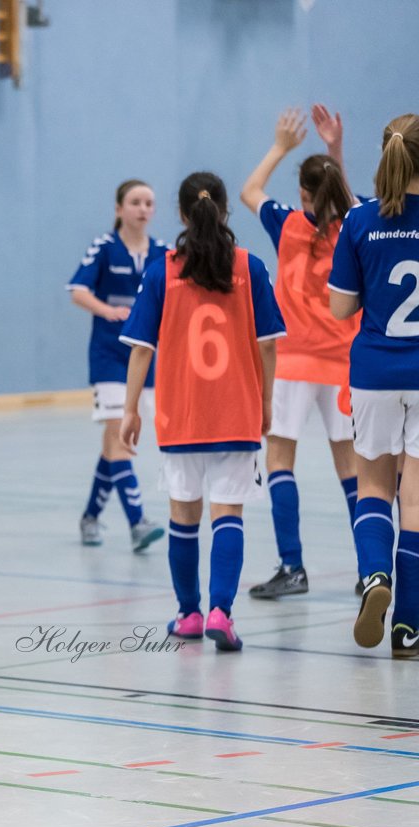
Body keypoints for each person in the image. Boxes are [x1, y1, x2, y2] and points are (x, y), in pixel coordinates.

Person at [120, 172, 286, 652]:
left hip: (181, 413)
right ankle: (221, 611)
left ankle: (189, 614)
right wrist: (267, 400)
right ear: (225, 210)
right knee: (228, 512)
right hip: (236, 410)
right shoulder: (249, 267)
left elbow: (140, 350)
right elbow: (268, 346)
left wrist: (130, 409)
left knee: (183, 515)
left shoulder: (162, 270)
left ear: (181, 213)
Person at [239, 105, 361, 599]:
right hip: (344, 366)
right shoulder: (356, 225)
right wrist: (335, 150)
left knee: (281, 463)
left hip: (291, 364)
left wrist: (280, 146)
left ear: (304, 195)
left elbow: (249, 190)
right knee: (353, 471)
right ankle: (369, 570)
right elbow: (349, 202)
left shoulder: (288, 226)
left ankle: (293, 566)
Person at [328, 114, 419, 657]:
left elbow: (341, 307)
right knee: (417, 502)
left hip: (376, 373)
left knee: (374, 486)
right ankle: (409, 627)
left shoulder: (360, 221)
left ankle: (373, 578)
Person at [68, 180, 168, 551]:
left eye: (149, 203)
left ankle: (90, 517)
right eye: (135, 202)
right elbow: (77, 291)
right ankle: (138, 521)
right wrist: (109, 311)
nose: (143, 209)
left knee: (114, 443)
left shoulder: (163, 252)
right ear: (118, 208)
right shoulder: (105, 248)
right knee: (119, 437)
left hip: (145, 362)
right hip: (110, 358)